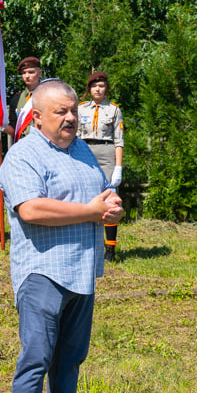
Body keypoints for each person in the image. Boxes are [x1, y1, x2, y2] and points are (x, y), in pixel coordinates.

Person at [0, 79, 124, 393]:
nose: (71, 118)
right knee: (36, 357)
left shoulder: (83, 150)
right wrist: (90, 212)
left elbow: (102, 193)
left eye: (74, 111)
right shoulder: (23, 157)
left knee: (69, 358)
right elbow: (31, 209)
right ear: (36, 117)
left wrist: (113, 205)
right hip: (43, 272)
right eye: (62, 112)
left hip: (81, 270)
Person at [77, 71, 125, 263]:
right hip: (85, 150)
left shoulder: (114, 110)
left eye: (102, 86)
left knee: (110, 200)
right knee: (85, 197)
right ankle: (87, 246)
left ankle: (110, 248)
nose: (98, 89)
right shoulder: (81, 109)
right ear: (89, 89)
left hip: (106, 153)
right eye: (94, 86)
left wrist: (118, 167)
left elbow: (119, 141)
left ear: (106, 89)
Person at [6, 56, 43, 140]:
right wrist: (0, 124)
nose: (27, 76)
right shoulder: (17, 99)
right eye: (24, 73)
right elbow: (14, 129)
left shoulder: (48, 95)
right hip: (24, 143)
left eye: (31, 72)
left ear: (40, 73)